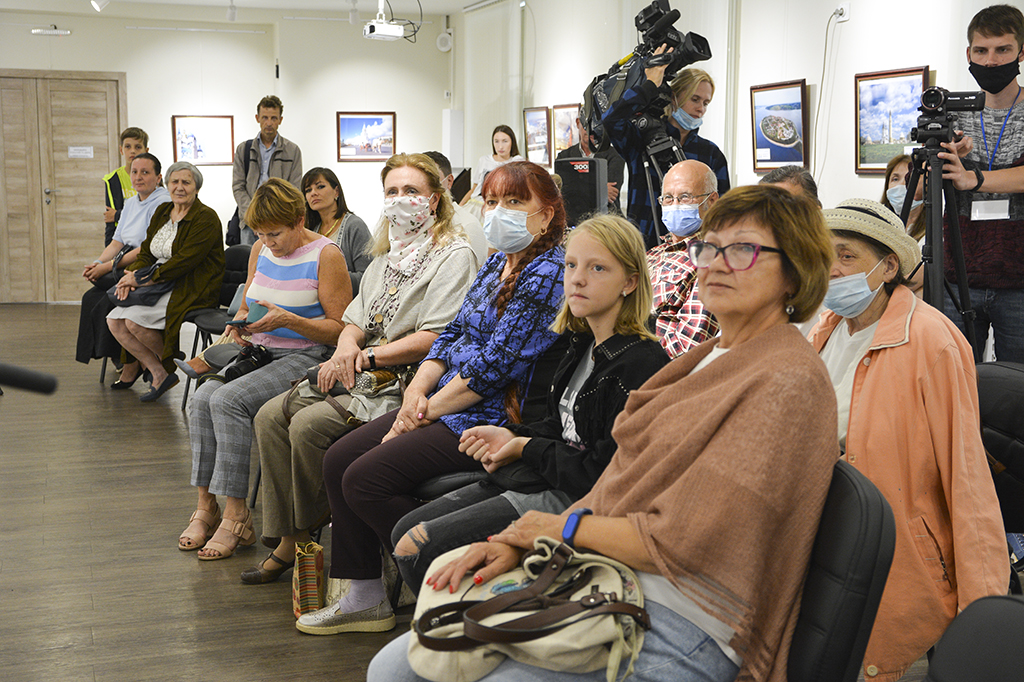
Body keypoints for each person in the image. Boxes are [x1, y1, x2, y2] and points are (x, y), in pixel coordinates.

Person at [367, 184, 838, 682]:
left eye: (742, 250)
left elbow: (684, 541)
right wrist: (525, 541)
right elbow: (621, 480)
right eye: (709, 247)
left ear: (795, 270)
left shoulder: (783, 379)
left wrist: (553, 530)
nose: (716, 264)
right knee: (393, 666)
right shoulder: (713, 356)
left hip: (685, 620)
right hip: (617, 578)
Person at [296, 161, 567, 635]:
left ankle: (451, 584)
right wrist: (418, 391)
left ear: (545, 216)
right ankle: (367, 597)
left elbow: (495, 366)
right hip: (443, 399)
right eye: (493, 201)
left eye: (515, 202)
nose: (499, 212)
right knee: (339, 459)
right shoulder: (497, 262)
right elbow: (451, 335)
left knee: (364, 479)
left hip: (488, 417)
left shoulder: (548, 271)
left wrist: (419, 413)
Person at [390, 213, 669, 590]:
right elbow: (560, 425)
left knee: (415, 548)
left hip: (578, 499)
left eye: (597, 268)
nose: (577, 279)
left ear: (630, 282)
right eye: (571, 265)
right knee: (403, 531)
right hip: (547, 474)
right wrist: (510, 437)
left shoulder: (641, 363)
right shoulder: (582, 343)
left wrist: (523, 445)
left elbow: (603, 471)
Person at [242, 153, 478, 584]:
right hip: (360, 367)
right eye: (392, 192)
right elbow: (353, 320)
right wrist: (345, 349)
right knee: (269, 416)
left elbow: (437, 337)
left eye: (411, 192)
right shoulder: (387, 254)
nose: (400, 200)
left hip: (402, 377)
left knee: (307, 426)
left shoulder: (453, 256)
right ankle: (291, 536)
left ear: (436, 200)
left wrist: (365, 356)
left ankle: (308, 532)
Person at [808, 199, 1008, 682]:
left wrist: (983, 613)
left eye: (847, 256)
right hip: (828, 544)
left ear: (889, 265)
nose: (831, 270)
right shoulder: (825, 331)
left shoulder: (930, 341)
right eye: (821, 255)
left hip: (898, 562)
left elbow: (967, 478)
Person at [179, 178, 351, 560]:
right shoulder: (260, 248)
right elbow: (247, 302)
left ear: (299, 220)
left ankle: (237, 515)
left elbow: (340, 329)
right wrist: (240, 322)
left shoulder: (327, 255)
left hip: (308, 355)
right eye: (261, 234)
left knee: (226, 401)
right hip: (260, 350)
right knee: (202, 398)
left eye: (275, 234)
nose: (269, 242)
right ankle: (206, 507)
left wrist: (288, 320)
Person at [937, 4, 1024, 363]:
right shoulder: (950, 111)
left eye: (1002, 50)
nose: (990, 62)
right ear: (968, 53)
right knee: (952, 384)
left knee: (1016, 393)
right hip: (958, 277)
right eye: (981, 51)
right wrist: (945, 154)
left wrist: (974, 178)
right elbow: (922, 180)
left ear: (1021, 52)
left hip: (1019, 281)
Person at [105, 161, 223, 402]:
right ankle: (160, 372)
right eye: (175, 182)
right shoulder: (162, 211)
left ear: (196, 188)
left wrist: (141, 280)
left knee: (134, 322)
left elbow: (184, 262)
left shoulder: (206, 218)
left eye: (186, 182)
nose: (179, 187)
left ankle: (171, 362)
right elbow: (147, 252)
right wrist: (132, 274)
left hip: (191, 285)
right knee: (114, 321)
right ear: (166, 184)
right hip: (157, 281)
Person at [603, 51, 730, 248]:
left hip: (691, 252)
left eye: (706, 103)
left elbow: (722, 211)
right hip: (642, 247)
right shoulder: (641, 139)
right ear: (675, 97)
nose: (701, 109)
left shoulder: (710, 154)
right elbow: (612, 120)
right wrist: (649, 87)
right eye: (694, 99)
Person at [77, 153, 171, 371]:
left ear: (158, 177)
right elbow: (116, 242)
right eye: (135, 172)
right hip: (122, 258)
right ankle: (119, 358)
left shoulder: (163, 202)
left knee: (106, 300)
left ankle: (131, 362)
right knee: (90, 297)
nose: (138, 177)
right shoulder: (130, 203)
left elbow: (146, 249)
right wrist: (97, 262)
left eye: (145, 172)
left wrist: (106, 267)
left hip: (144, 261)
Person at [646, 160, 720, 358]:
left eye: (685, 197)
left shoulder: (712, 261)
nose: (675, 206)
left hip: (652, 373)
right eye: (668, 198)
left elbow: (688, 348)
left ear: (712, 201)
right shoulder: (652, 254)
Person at [232, 95, 303, 246]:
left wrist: (275, 216)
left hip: (279, 222)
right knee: (251, 264)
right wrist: (251, 215)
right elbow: (238, 186)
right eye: (265, 117)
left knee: (279, 263)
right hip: (249, 223)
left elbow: (294, 189)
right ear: (257, 118)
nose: (269, 123)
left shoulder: (292, 150)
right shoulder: (243, 149)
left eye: (273, 118)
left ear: (280, 120)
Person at [301, 166, 371, 294]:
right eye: (308, 190)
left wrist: (330, 276)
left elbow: (369, 277)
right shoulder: (311, 229)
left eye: (320, 187)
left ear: (336, 191)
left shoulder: (355, 226)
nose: (313, 193)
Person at [423, 150, 488, 266]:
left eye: (432, 179)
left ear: (449, 181)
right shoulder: (409, 224)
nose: (425, 187)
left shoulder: (468, 225)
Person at [555, 106, 626, 213]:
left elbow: (611, 194)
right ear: (578, 123)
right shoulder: (564, 156)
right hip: (574, 219)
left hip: (607, 219)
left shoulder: (615, 155)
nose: (591, 131)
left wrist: (575, 187)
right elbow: (563, 192)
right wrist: (599, 189)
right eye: (586, 126)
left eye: (596, 126)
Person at [460, 125, 525, 212]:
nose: (500, 146)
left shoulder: (517, 162)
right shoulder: (484, 160)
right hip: (478, 206)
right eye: (496, 141)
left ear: (512, 142)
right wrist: (460, 206)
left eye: (505, 141)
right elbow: (474, 188)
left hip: (504, 208)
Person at [102, 126, 149, 246]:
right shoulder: (112, 180)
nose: (132, 151)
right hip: (123, 239)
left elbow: (152, 213)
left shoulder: (153, 178)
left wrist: (117, 215)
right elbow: (110, 220)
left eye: (138, 147)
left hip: (147, 238)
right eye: (128, 147)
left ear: (146, 151)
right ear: (121, 150)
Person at [880, 154, 925, 241]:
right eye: (895, 179)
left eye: (909, 179)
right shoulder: (878, 227)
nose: (901, 184)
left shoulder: (933, 232)